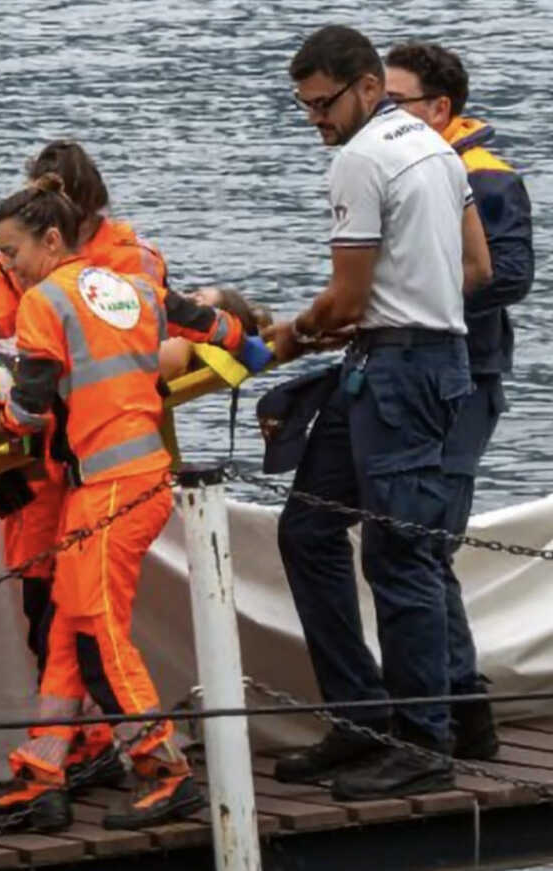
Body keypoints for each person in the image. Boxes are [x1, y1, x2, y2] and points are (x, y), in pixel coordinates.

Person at [0, 173, 272, 833]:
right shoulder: (132, 288)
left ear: (49, 239)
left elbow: (30, 407)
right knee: (68, 631)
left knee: (97, 630)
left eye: (10, 251)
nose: (6, 266)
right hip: (125, 482)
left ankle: (164, 769)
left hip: (110, 490)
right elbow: (211, 322)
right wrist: (249, 347)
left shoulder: (45, 301)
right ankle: (43, 771)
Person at [261, 25, 492, 801]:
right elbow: (476, 267)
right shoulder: (437, 148)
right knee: (310, 528)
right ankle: (363, 721)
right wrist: (414, 301)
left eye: (323, 104)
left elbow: (347, 299)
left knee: (396, 556)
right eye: (305, 108)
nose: (316, 122)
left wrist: (287, 338)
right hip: (425, 360)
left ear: (366, 86)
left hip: (394, 370)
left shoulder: (359, 160)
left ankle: (422, 739)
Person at [384, 41, 534, 761]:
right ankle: (459, 706)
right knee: (420, 543)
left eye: (394, 99)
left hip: (466, 375)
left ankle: (454, 713)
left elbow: (510, 273)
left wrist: (419, 295)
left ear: (438, 108)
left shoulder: (486, 175)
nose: (380, 111)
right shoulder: (407, 167)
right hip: (422, 372)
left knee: (425, 541)